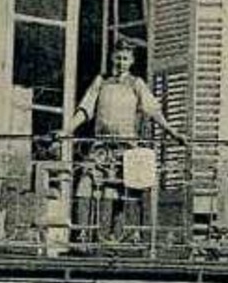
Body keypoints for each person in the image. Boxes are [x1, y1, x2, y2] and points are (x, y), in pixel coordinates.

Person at [62, 40, 185, 240]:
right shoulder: (101, 82)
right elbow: (85, 110)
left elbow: (153, 111)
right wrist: (67, 129)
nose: (121, 62)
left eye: (125, 58)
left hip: (127, 148)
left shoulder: (136, 84)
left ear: (131, 61)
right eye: (118, 58)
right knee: (84, 186)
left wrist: (172, 132)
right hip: (101, 148)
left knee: (124, 192)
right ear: (112, 58)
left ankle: (120, 237)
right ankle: (83, 234)